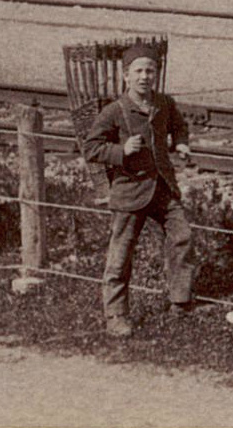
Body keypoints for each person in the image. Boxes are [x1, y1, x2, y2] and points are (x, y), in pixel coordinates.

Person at [84, 50, 198, 333]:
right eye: (138, 72)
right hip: (130, 190)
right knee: (122, 252)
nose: (145, 77)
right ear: (126, 76)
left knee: (182, 236)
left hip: (162, 187)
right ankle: (115, 315)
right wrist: (121, 151)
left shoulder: (163, 103)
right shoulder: (114, 111)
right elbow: (90, 148)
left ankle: (181, 302)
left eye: (150, 71)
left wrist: (181, 143)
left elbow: (179, 127)